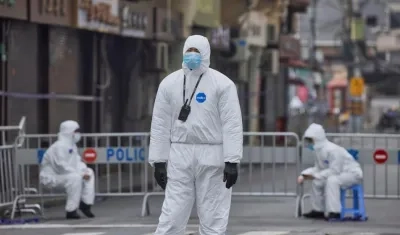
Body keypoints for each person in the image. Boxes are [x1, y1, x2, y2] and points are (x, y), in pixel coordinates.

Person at [149, 35, 243, 235]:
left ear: (206, 54)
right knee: (172, 216)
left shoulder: (222, 85)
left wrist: (232, 160)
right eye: (189, 51)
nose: (192, 56)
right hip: (179, 154)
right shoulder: (169, 83)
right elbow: (160, 124)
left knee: (213, 215)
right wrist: (158, 161)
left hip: (213, 154)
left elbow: (232, 124)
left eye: (197, 52)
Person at [298, 123, 363, 220]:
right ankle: (318, 210)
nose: (309, 143)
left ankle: (335, 212)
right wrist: (304, 174)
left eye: (311, 140)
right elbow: (318, 168)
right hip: (339, 173)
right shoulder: (318, 151)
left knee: (332, 181)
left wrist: (316, 175)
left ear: (317, 138)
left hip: (352, 173)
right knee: (317, 182)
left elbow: (334, 170)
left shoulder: (332, 150)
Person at [39, 120, 95, 219]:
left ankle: (86, 204)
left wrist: (84, 171)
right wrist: (80, 174)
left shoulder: (72, 146)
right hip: (51, 177)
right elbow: (61, 166)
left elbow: (77, 163)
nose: (78, 134)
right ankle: (71, 210)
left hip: (65, 176)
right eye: (76, 131)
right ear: (69, 132)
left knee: (89, 173)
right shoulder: (58, 146)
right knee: (75, 178)